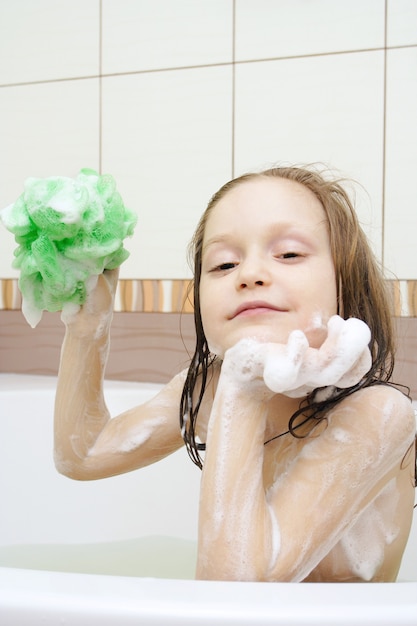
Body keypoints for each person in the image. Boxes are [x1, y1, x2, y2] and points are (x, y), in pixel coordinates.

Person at [54, 164, 416, 582]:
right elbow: (83, 454)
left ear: (346, 284)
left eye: (290, 254)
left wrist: (244, 389)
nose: (249, 275)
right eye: (224, 264)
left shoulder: (378, 414)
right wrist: (86, 328)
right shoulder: (211, 387)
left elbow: (234, 595)